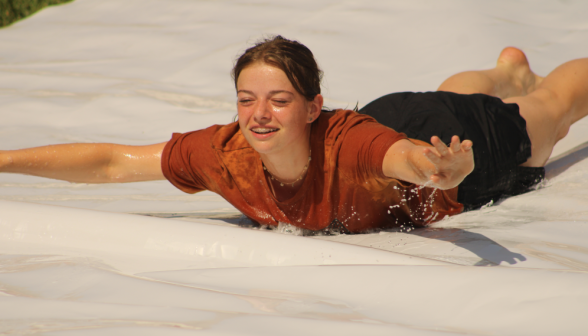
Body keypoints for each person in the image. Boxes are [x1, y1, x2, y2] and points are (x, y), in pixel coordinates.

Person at [1, 36, 587, 234]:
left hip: (454, 144)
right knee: (437, 97)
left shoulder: (352, 143)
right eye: (246, 100)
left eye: (279, 100)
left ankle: (513, 82)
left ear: (312, 108)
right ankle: (504, 71)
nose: (259, 114)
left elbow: (401, 156)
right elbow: (110, 163)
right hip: (398, 112)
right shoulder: (225, 150)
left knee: (552, 112)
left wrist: (440, 171)